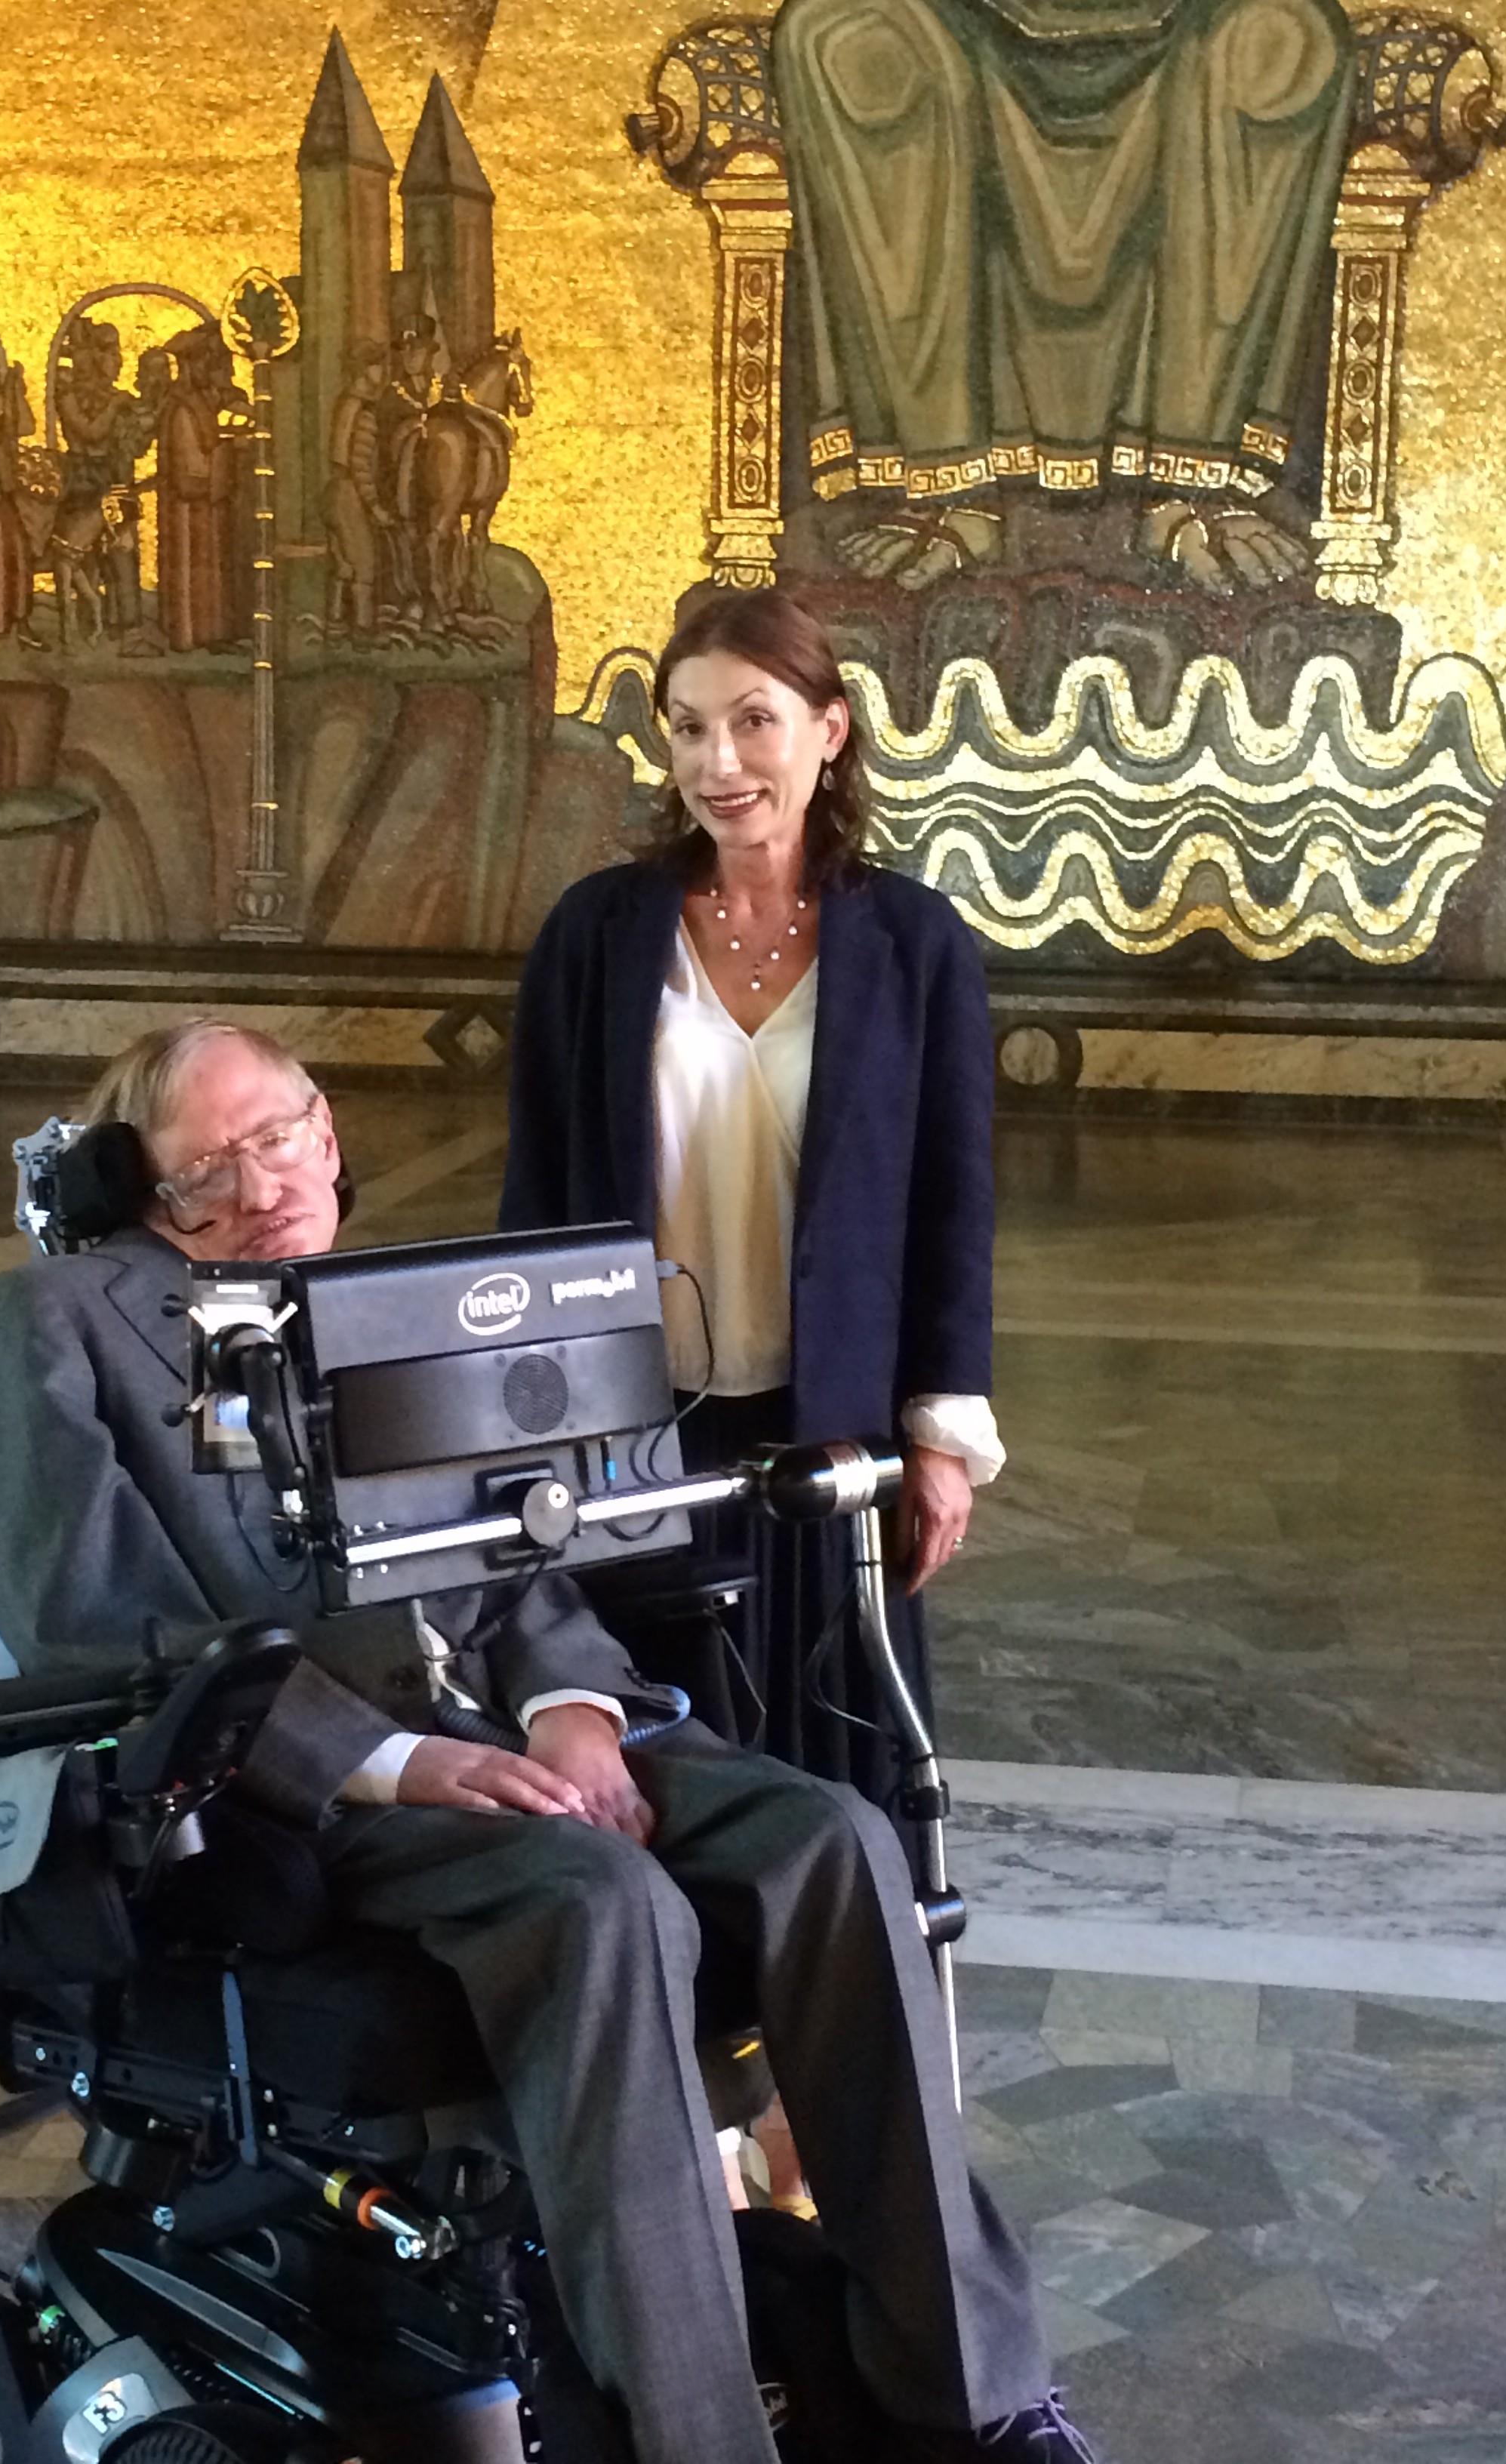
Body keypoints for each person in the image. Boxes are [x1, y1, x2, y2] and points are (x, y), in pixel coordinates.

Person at [0, 1018, 1092, 2464]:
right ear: (141, 1185)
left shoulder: (380, 1298)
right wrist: (409, 1763)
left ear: (331, 1124)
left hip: (512, 1713)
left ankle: (973, 2390)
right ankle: (695, 2435)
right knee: (596, 1900)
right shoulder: (52, 1320)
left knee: (832, 1836)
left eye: (286, 1129)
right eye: (212, 1162)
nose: (267, 1176)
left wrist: (572, 1713)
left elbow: (514, 1556)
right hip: (297, 1780)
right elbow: (86, 1620)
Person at [501, 586, 1003, 1823]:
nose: (715, 762)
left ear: (828, 731)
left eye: (752, 720)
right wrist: (518, 1405)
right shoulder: (598, 935)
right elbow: (538, 1183)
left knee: (839, 1742)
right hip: (634, 1422)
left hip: (828, 1419)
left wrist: (940, 1431)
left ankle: (837, 1983)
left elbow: (950, 1200)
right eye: (684, 727)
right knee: (661, 1750)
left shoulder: (910, 942)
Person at [771, 0, 1351, 592]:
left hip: (1183, 23)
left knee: (1283, 39)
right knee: (848, 36)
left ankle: (1189, 484)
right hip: (962, 21)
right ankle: (946, 485)